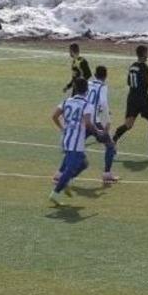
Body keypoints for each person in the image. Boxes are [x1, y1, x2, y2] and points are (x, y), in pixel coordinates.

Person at [49, 78, 100, 206]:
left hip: (66, 138)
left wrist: (63, 128)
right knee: (71, 168)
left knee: (84, 163)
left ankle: (65, 181)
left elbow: (54, 116)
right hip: (76, 141)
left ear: (75, 88)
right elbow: (88, 123)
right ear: (87, 90)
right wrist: (98, 132)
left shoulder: (67, 101)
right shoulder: (87, 105)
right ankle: (55, 193)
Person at [112, 45, 148, 155]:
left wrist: (145, 79)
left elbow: (129, 82)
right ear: (144, 53)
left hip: (132, 97)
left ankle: (114, 138)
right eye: (147, 53)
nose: (147, 55)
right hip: (142, 98)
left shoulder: (132, 66)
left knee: (128, 125)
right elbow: (144, 83)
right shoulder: (145, 67)